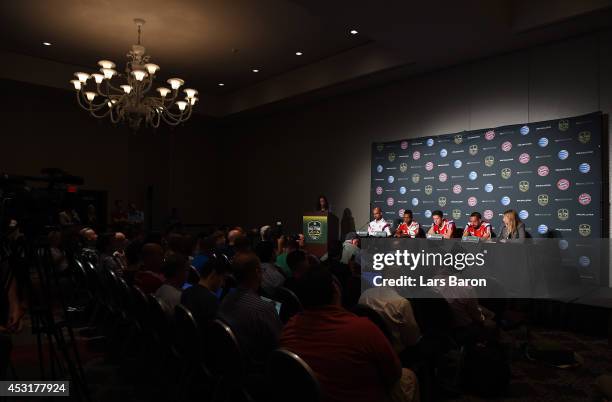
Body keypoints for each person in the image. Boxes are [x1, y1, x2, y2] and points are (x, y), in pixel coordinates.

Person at [281, 266, 419, 402]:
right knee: (409, 377)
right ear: (336, 291)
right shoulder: (363, 329)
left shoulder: (288, 328)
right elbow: (394, 373)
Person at [217, 252, 282, 371]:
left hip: (230, 364)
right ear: (258, 272)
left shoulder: (226, 298)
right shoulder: (264, 308)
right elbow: (278, 346)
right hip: (257, 369)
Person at [358, 287, 421, 354]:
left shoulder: (365, 294)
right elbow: (412, 340)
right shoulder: (402, 303)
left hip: (368, 350)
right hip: (396, 354)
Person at [181, 256, 227, 326]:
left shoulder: (186, 291)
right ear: (213, 274)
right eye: (223, 278)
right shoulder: (211, 300)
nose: (223, 284)